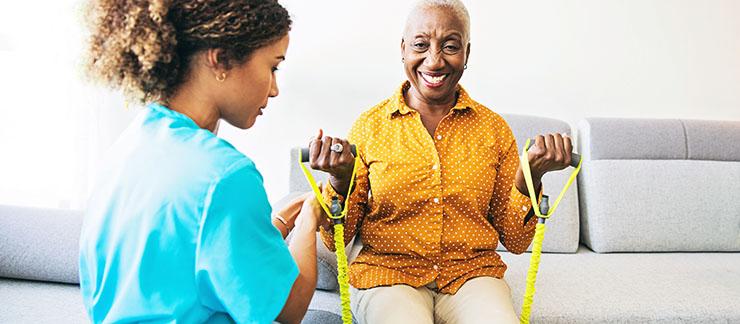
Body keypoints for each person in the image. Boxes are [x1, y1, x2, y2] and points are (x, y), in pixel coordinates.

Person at [307, 0, 574, 323]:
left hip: (471, 276)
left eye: (450, 46)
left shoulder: (494, 130)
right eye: (421, 45)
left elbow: (516, 243)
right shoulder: (370, 127)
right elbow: (337, 238)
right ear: (403, 48)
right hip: (388, 275)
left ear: (467, 54)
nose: (434, 61)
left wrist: (529, 176)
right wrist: (340, 180)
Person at [77, 1, 323, 323]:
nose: (275, 89)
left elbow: (190, 264)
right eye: (273, 67)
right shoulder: (226, 175)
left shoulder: (128, 146)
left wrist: (276, 223)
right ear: (220, 59)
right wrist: (309, 219)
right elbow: (290, 306)